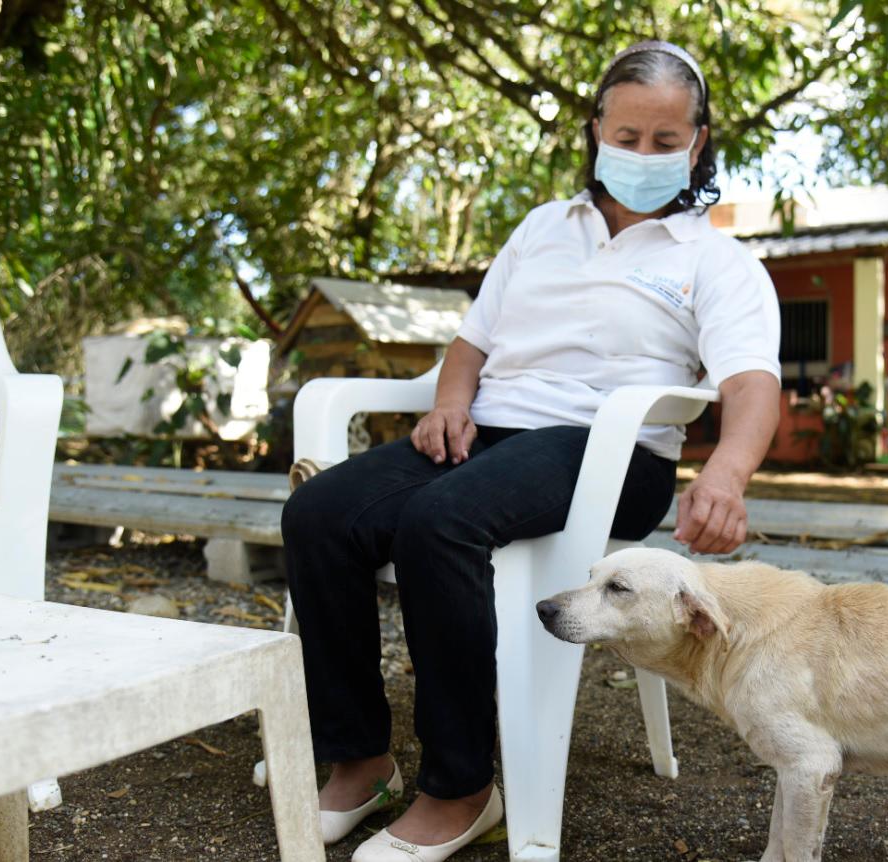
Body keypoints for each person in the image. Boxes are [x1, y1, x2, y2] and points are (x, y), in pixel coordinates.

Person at [281, 39, 783, 862]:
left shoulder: (716, 262)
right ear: (594, 131)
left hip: (611, 453)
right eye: (626, 136)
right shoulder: (544, 228)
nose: (643, 154)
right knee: (320, 513)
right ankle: (361, 758)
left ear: (699, 142)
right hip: (493, 434)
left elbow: (750, 383)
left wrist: (725, 474)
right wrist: (449, 403)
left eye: (665, 141)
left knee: (438, 523)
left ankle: (461, 788)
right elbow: (471, 340)